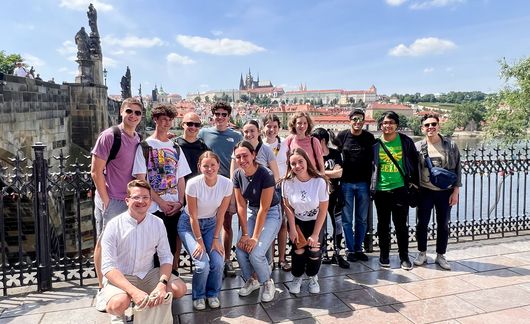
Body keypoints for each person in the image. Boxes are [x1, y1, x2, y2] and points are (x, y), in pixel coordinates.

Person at [100, 180, 187, 323]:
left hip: (147, 274)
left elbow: (166, 257)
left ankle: (153, 303)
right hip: (123, 276)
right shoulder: (113, 226)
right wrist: (134, 292)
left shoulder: (157, 223)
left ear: (151, 200)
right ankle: (119, 313)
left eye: (145, 197)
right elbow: (108, 267)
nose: (141, 201)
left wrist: (161, 284)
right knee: (117, 304)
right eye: (136, 197)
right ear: (127, 200)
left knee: (179, 288)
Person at [91, 98, 143, 312]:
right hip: (112, 199)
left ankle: (117, 286)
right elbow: (95, 171)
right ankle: (102, 288)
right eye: (129, 111)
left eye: (137, 113)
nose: (133, 115)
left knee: (122, 244)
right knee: (104, 244)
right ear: (121, 112)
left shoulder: (137, 137)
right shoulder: (110, 136)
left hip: (129, 199)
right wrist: (105, 200)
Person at [132, 104, 191, 276]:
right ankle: (153, 280)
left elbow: (181, 178)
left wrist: (180, 202)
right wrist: (161, 202)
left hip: (173, 204)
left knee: (171, 244)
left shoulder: (175, 147)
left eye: (169, 119)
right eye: (163, 119)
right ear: (155, 119)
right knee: (152, 246)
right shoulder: (144, 146)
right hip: (153, 206)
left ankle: (169, 277)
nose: (166, 123)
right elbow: (141, 180)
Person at [177, 151, 233, 310]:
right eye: (205, 166)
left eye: (213, 165)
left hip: (211, 225)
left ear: (218, 166)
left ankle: (213, 294)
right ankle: (199, 296)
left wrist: (216, 239)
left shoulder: (226, 184)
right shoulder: (193, 184)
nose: (209, 169)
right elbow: (193, 216)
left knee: (217, 260)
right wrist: (199, 242)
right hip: (189, 225)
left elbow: (221, 213)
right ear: (199, 167)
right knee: (202, 264)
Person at [233, 141, 281, 302]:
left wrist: (254, 237)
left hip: (271, 213)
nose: (242, 160)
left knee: (256, 254)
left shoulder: (265, 174)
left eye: (245, 155)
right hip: (251, 212)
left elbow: (264, 208)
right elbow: (241, 205)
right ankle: (252, 280)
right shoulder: (238, 174)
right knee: (240, 250)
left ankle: (267, 282)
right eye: (238, 157)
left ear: (253, 155)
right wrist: (245, 234)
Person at [198, 102, 243, 277]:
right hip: (208, 185)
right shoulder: (204, 133)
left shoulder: (236, 136)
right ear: (212, 115)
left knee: (226, 224)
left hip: (228, 186)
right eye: (217, 114)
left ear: (229, 117)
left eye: (224, 114)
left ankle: (226, 260)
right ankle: (210, 259)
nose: (220, 117)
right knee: (206, 223)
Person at [371, 111, 419, 271]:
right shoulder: (376, 144)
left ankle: (404, 256)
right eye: (385, 123)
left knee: (401, 225)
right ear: (381, 125)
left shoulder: (405, 141)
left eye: (391, 122)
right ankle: (384, 254)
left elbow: (414, 162)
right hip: (381, 190)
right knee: (383, 225)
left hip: (400, 189)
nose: (388, 125)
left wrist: (414, 184)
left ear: (397, 125)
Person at [413, 113, 461, 270]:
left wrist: (456, 192)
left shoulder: (450, 145)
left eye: (433, 124)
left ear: (439, 126)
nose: (430, 127)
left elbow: (457, 169)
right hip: (425, 190)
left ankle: (441, 255)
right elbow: (413, 169)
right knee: (422, 224)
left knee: (443, 225)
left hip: (445, 191)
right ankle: (422, 253)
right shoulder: (418, 146)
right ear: (422, 128)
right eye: (427, 125)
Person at [283, 148, 329, 294]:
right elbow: (288, 207)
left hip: (316, 221)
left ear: (306, 161)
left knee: (314, 250)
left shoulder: (319, 182)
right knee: (299, 250)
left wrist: (315, 234)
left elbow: (323, 210)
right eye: (293, 163)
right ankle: (297, 277)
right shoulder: (287, 183)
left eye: (300, 162)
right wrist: (292, 228)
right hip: (298, 221)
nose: (297, 166)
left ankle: (312, 276)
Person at [334, 108, 375, 262]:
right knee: (346, 220)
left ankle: (359, 248)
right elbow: (336, 156)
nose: (358, 122)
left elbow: (375, 160)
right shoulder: (342, 136)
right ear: (349, 120)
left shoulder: (369, 137)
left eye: (360, 119)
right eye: (355, 119)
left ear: (364, 121)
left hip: (364, 183)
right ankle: (349, 250)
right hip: (346, 183)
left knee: (362, 219)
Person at [311, 128, 349, 269]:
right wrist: (327, 173)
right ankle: (323, 253)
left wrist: (321, 172)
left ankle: (338, 254)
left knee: (338, 225)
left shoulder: (335, 154)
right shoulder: (312, 157)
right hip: (318, 197)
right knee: (320, 226)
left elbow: (339, 173)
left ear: (322, 141)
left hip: (335, 196)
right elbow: (311, 174)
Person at [262, 114, 290, 271]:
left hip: (281, 187)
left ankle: (282, 259)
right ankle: (270, 259)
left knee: (283, 224)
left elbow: (290, 166)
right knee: (268, 225)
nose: (271, 129)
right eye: (268, 126)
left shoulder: (284, 145)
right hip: (264, 189)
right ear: (263, 128)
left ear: (279, 128)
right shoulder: (259, 145)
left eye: (274, 127)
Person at [177, 112, 209, 182]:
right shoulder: (174, 145)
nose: (193, 127)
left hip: (198, 188)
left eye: (197, 125)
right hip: (178, 187)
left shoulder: (204, 147)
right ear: (183, 125)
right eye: (190, 124)